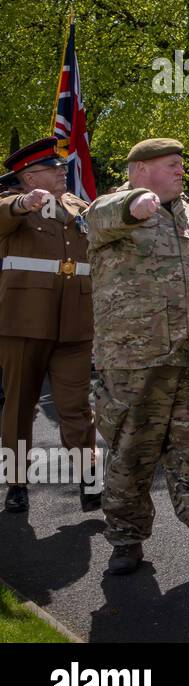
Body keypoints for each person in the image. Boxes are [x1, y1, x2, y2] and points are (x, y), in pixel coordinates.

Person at [86, 138, 189, 576]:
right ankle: (126, 541)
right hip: (136, 359)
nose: (181, 171)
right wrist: (134, 204)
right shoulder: (112, 208)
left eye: (181, 165)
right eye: (171, 165)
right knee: (131, 451)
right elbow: (98, 217)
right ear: (140, 169)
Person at [0, 138, 96, 514]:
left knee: (76, 408)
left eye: (60, 166)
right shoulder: (13, 204)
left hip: (75, 323)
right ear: (27, 177)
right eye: (51, 168)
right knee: (20, 407)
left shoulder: (77, 206)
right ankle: (16, 482)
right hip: (23, 321)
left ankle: (89, 477)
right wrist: (24, 203)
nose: (62, 171)